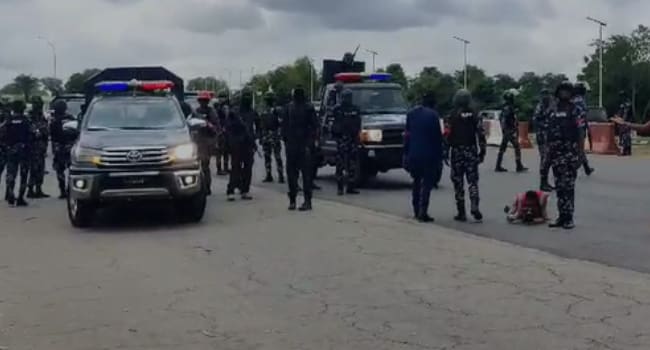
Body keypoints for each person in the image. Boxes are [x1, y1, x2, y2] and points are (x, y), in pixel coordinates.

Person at [444, 89, 486, 222]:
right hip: (471, 150)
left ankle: (461, 212)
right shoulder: (475, 115)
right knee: (472, 181)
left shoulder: (450, 116)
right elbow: (481, 134)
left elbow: (446, 135)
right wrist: (482, 151)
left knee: (458, 182)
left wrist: (445, 152)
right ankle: (474, 205)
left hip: (456, 151)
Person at [546, 81, 582, 229]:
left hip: (570, 151)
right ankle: (561, 216)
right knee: (559, 186)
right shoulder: (553, 110)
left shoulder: (575, 109)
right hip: (556, 152)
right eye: (562, 91)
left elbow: (580, 132)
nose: (564, 93)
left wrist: (580, 154)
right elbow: (548, 131)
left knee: (569, 186)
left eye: (567, 91)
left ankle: (569, 217)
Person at [403, 92, 443, 223]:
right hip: (429, 155)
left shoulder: (411, 113)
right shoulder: (434, 116)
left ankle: (415, 209)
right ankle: (423, 211)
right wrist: (440, 156)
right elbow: (437, 138)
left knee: (416, 182)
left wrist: (406, 153)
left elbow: (407, 136)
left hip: (414, 153)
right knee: (426, 184)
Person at [281, 86, 319, 211]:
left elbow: (314, 127)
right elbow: (284, 127)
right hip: (295, 145)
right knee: (294, 175)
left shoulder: (307, 108)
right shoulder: (290, 108)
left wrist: (310, 143)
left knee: (304, 175)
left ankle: (305, 201)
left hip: (302, 145)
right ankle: (294, 200)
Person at [229, 89, 259, 200]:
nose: (247, 98)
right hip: (237, 143)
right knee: (235, 167)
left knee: (248, 168)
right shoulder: (235, 112)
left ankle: (245, 190)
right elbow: (229, 127)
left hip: (248, 144)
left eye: (249, 96)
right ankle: (231, 190)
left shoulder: (253, 112)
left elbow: (258, 126)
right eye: (245, 96)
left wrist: (255, 136)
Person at [2, 100, 32, 206]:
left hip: (11, 151)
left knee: (11, 174)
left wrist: (8, 147)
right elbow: (31, 135)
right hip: (24, 151)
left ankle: (10, 194)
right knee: (23, 175)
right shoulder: (26, 121)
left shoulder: (8, 121)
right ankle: (20, 198)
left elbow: (2, 136)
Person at [332, 89, 362, 195]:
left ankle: (350, 186)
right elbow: (334, 124)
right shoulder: (337, 109)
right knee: (340, 164)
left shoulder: (355, 109)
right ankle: (340, 188)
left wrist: (357, 137)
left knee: (352, 165)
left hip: (352, 139)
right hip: (341, 139)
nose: (347, 99)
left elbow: (358, 124)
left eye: (348, 97)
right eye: (345, 97)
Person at [193, 92, 220, 195]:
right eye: (201, 100)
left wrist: (209, 126)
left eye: (204, 100)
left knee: (205, 166)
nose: (203, 102)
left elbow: (215, 127)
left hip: (207, 140)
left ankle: (207, 188)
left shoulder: (211, 112)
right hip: (198, 140)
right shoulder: (196, 112)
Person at [49, 100, 76, 199]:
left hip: (59, 147)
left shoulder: (54, 120)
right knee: (71, 169)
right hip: (70, 146)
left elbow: (52, 135)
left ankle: (62, 191)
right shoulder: (71, 118)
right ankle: (71, 189)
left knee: (59, 170)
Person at [495, 90, 527, 173]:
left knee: (503, 148)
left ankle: (498, 165)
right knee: (516, 147)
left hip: (507, 130)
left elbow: (502, 119)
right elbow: (507, 120)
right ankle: (518, 165)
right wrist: (511, 129)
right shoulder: (509, 108)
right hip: (509, 130)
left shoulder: (505, 107)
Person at [27, 96, 50, 198]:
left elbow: (46, 131)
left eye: (39, 104)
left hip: (41, 147)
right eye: (36, 104)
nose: (38, 106)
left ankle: (38, 189)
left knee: (40, 169)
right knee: (34, 169)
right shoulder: (30, 117)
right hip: (32, 147)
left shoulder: (42, 117)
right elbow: (31, 132)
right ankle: (31, 190)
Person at [260, 92, 285, 183]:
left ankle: (280, 175)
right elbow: (261, 125)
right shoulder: (265, 110)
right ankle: (269, 175)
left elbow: (281, 123)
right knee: (267, 156)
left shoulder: (277, 110)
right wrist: (261, 137)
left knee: (277, 156)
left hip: (274, 135)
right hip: (267, 136)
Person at [533, 88, 554, 191]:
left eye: (547, 94)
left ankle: (545, 182)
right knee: (545, 159)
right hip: (542, 135)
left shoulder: (552, 105)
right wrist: (545, 126)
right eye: (544, 95)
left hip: (550, 135)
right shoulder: (540, 106)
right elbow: (536, 120)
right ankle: (543, 183)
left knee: (548, 159)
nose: (546, 97)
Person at [573, 82, 594, 175]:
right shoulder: (579, 100)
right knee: (579, 150)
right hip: (579, 128)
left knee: (579, 149)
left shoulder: (574, 99)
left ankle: (587, 168)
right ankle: (572, 169)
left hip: (577, 127)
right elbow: (582, 116)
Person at [215, 91, 231, 175]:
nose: (222, 99)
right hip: (220, 131)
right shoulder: (218, 107)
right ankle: (219, 169)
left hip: (226, 131)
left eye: (223, 97)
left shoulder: (227, 106)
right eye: (220, 97)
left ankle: (225, 167)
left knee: (226, 151)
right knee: (219, 151)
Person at [616, 91, 634, 156]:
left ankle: (626, 151)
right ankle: (626, 150)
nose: (621, 98)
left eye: (622, 96)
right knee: (623, 136)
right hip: (623, 122)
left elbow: (626, 113)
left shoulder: (628, 104)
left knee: (626, 136)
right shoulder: (622, 104)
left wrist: (623, 121)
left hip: (627, 122)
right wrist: (617, 118)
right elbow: (620, 113)